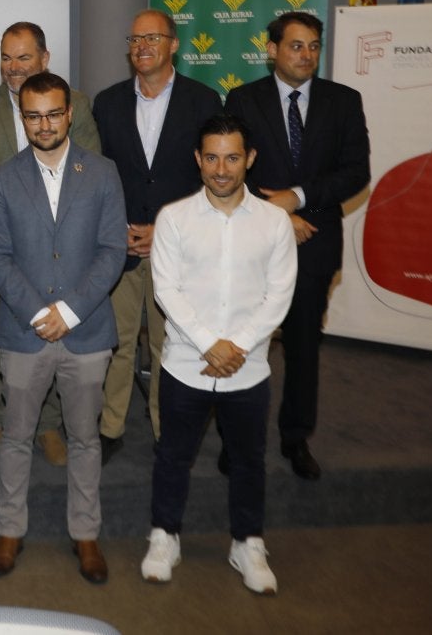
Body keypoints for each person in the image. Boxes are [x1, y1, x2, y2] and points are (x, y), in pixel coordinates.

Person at [142, 113, 296, 595]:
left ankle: (247, 542)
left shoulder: (274, 222)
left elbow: (279, 294)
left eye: (232, 158)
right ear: (198, 159)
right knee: (172, 456)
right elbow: (167, 290)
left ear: (249, 158)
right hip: (186, 364)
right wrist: (211, 344)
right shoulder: (174, 218)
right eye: (212, 158)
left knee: (249, 460)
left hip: (248, 369)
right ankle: (164, 536)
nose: (222, 169)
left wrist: (238, 346)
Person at [0, 72, 126, 584]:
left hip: (86, 331)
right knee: (16, 436)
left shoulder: (103, 172)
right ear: (23, 119)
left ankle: (85, 534)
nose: (44, 125)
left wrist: (70, 311)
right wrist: (38, 313)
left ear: (69, 114)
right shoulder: (3, 179)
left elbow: (113, 250)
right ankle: (9, 530)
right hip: (25, 332)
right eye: (33, 116)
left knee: (85, 439)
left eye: (53, 114)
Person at [223, 11, 370, 480]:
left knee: (304, 349)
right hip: (253, 244)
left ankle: (295, 437)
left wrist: (300, 199)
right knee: (246, 346)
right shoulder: (243, 99)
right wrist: (279, 215)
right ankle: (238, 438)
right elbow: (228, 169)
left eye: (313, 46)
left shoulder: (343, 101)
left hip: (315, 242)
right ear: (272, 50)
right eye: (296, 45)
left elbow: (356, 171)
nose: (306, 55)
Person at [0, 22, 101, 464]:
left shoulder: (76, 104)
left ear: (45, 58)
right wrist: (15, 207)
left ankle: (49, 425)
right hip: (1, 243)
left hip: (62, 245)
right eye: (6, 57)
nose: (13, 67)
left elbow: (91, 170)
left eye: (23, 57)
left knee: (57, 335)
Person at [93, 10, 221, 462]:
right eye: (135, 39)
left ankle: (168, 429)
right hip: (120, 247)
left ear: (174, 45)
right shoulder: (107, 103)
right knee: (116, 342)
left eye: (152, 37)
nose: (142, 46)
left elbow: (214, 178)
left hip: (178, 249)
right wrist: (115, 228)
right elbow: (95, 176)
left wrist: (164, 227)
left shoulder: (204, 102)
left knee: (170, 346)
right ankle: (109, 427)